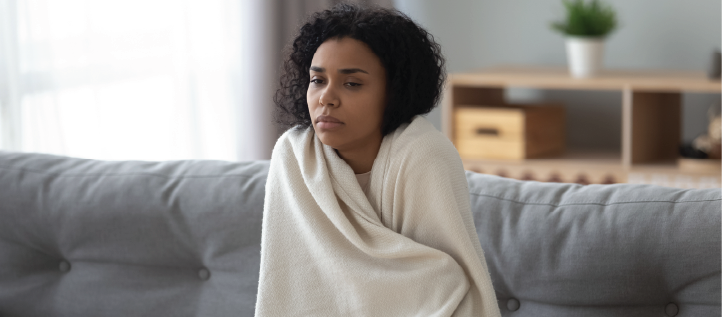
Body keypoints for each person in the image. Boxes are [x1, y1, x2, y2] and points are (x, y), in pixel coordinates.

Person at [255, 3, 500, 316]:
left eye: (352, 83)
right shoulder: (294, 156)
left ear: (394, 91)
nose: (326, 98)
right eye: (318, 80)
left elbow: (443, 283)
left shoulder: (423, 155)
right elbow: (291, 280)